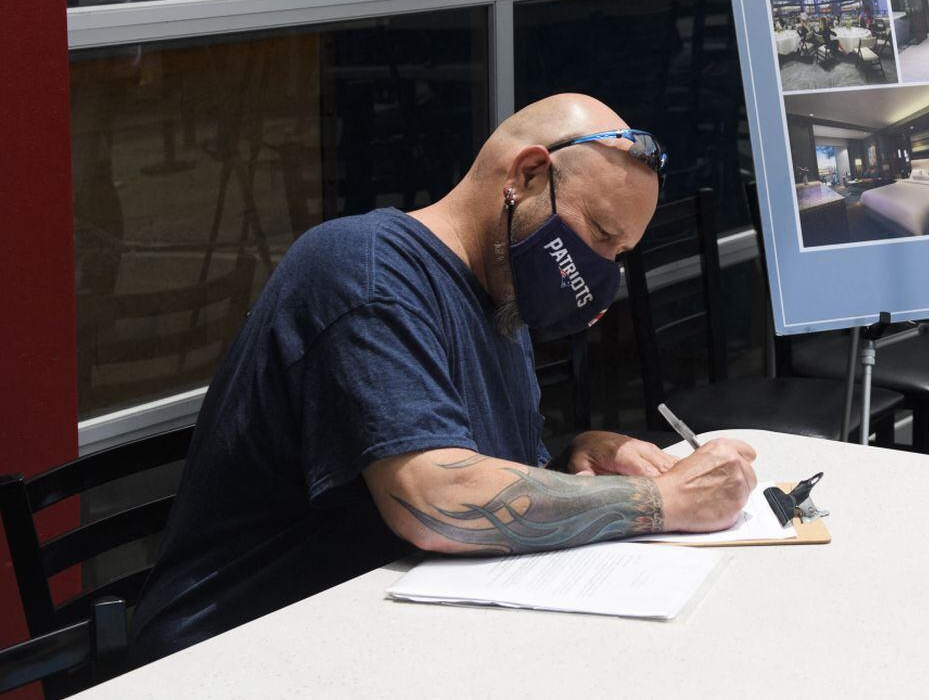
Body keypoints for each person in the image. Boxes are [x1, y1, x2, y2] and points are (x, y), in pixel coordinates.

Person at [129, 94, 758, 665]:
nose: (601, 271)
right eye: (597, 234)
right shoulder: (367, 273)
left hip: (381, 637)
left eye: (618, 256)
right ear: (527, 175)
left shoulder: (500, 296)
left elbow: (479, 466)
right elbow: (438, 501)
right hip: (235, 654)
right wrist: (664, 503)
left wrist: (573, 459)